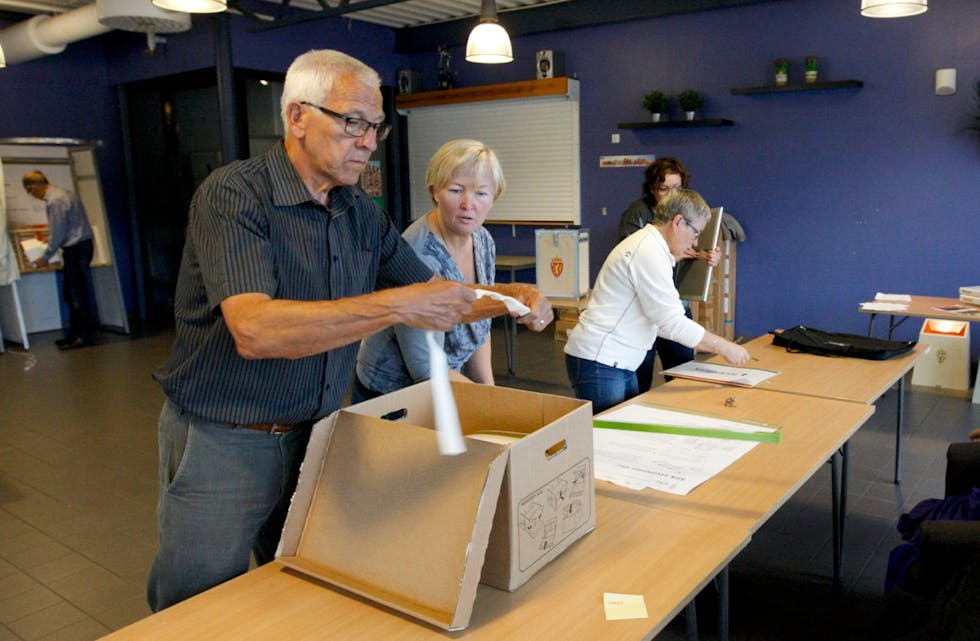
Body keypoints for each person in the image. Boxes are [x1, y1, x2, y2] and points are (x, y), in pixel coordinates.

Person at [147, 49, 552, 612]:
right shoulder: (235, 194)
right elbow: (256, 330)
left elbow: (436, 296)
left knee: (296, 582)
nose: (367, 142)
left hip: (315, 432)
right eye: (353, 123)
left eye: (375, 127)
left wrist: (511, 298)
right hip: (225, 437)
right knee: (196, 600)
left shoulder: (358, 211)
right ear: (298, 116)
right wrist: (396, 305)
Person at [565, 189, 749, 414]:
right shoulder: (648, 252)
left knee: (625, 425)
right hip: (602, 360)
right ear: (678, 222)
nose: (695, 242)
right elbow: (671, 321)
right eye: (696, 233)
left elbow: (661, 319)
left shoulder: (653, 249)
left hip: (615, 361)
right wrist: (724, 347)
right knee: (607, 430)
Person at [353, 139, 504, 402]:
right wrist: (488, 402)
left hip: (449, 382)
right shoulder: (416, 252)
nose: (468, 204)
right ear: (435, 191)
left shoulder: (482, 240)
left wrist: (491, 392)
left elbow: (480, 327)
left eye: (481, 193)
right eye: (456, 190)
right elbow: (425, 369)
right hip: (390, 395)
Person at [616, 157, 719, 391]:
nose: (671, 195)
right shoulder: (637, 213)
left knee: (683, 370)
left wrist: (708, 257)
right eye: (664, 189)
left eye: (677, 188)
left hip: (675, 301)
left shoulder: (690, 214)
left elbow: (696, 249)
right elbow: (634, 258)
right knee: (640, 378)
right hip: (643, 309)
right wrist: (676, 256)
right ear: (653, 189)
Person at [23, 171, 97, 349]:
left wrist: (45, 257)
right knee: (74, 293)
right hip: (81, 246)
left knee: (75, 294)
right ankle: (75, 334)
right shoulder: (63, 193)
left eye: (31, 191)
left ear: (34, 187)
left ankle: (82, 336)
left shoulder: (55, 200)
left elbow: (58, 232)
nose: (33, 195)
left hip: (75, 249)